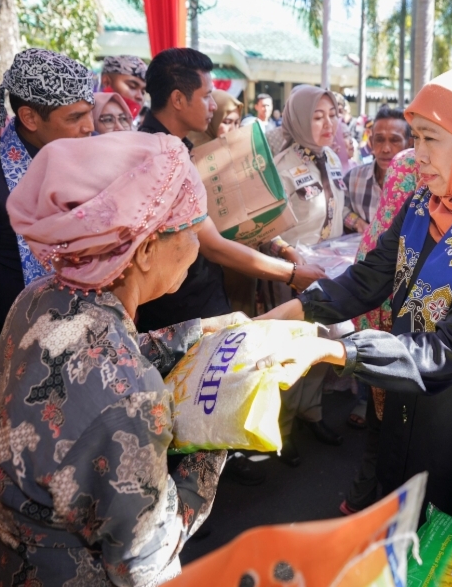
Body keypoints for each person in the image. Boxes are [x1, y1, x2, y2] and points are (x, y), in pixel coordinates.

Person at [260, 66, 452, 540]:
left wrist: (335, 350)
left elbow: (446, 349)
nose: (416, 155)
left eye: (431, 139)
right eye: (417, 138)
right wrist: (273, 320)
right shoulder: (424, 205)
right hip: (412, 407)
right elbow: (367, 278)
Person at [0, 130, 233, 586]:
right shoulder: (132, 401)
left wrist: (197, 332)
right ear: (148, 249)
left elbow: (88, 357)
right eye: (193, 230)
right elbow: (146, 558)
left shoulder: (38, 297)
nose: (198, 249)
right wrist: (217, 441)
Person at [136, 49, 324, 334]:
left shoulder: (170, 146)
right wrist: (293, 274)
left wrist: (281, 248)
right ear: (177, 99)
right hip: (182, 311)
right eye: (206, 95)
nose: (212, 106)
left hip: (191, 297)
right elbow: (213, 243)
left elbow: (229, 218)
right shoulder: (162, 158)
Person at [0, 48, 96, 375]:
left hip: (86, 342)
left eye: (90, 113)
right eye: (75, 117)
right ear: (29, 118)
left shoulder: (83, 161)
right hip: (17, 359)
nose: (89, 127)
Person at [262, 85, 350, 464]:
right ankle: (282, 430)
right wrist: (288, 254)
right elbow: (263, 224)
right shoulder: (277, 164)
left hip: (329, 270)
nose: (328, 123)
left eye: (332, 114)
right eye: (317, 116)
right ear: (298, 118)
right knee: (288, 352)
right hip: (292, 275)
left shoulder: (330, 157)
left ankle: (310, 414)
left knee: (321, 345)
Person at [340, 148, 418, 514]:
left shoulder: (406, 162)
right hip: (396, 322)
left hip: (378, 318)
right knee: (395, 426)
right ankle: (379, 505)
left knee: (381, 418)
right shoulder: (417, 169)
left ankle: (362, 498)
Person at [343, 106, 411, 235]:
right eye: (379, 140)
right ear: (371, 142)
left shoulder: (419, 186)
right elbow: (339, 209)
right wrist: (357, 222)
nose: (385, 149)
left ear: (409, 144)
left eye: (394, 140)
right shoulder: (353, 179)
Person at [100, 54, 147, 118]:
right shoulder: (87, 125)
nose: (140, 97)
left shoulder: (136, 127)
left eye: (143, 92)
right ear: (106, 82)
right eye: (132, 86)